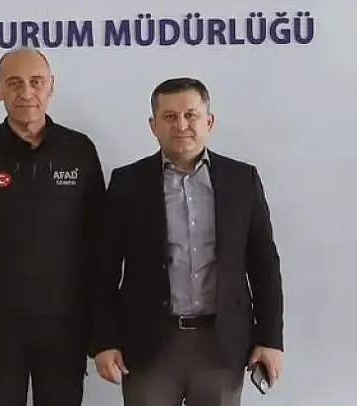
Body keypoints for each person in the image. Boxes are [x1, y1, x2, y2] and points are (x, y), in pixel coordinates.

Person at [91, 77, 285, 406]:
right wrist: (103, 341)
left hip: (221, 345)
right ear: (153, 125)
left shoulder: (242, 180)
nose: (181, 125)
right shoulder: (127, 183)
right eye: (169, 117)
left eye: (190, 115)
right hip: (148, 343)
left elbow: (264, 264)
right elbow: (103, 270)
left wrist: (270, 339)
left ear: (209, 121)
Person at [0, 47, 105, 406]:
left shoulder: (79, 151)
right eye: (14, 83)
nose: (26, 92)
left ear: (51, 86)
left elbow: (99, 246)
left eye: (36, 82)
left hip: (65, 324)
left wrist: (102, 327)